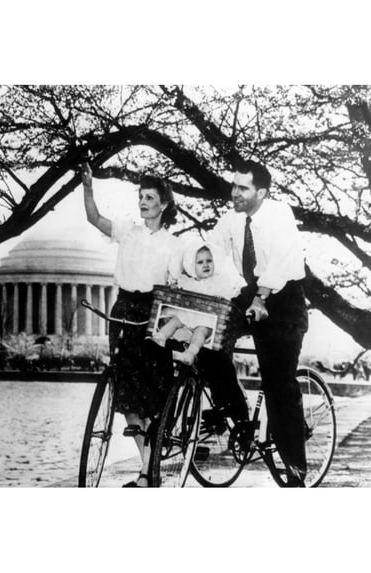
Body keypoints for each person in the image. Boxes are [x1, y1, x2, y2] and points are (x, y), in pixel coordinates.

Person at [209, 158, 308, 487]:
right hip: (248, 295)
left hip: (283, 301)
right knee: (209, 342)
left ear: (261, 192)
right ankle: (240, 418)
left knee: (278, 383)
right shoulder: (230, 220)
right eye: (233, 186)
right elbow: (211, 251)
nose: (234, 193)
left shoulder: (279, 215)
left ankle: (295, 472)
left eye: (242, 188)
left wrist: (261, 298)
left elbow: (279, 261)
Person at [81, 161, 178, 487]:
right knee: (125, 393)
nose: (143, 202)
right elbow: (94, 218)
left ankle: (147, 472)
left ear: (163, 205)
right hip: (123, 309)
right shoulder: (128, 232)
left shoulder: (172, 244)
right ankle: (147, 466)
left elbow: (176, 285)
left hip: (152, 312)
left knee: (150, 396)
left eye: (150, 198)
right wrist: (88, 187)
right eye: (141, 197)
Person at [151, 240, 250, 423]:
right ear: (192, 266)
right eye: (200, 262)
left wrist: (223, 297)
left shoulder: (219, 282)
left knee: (200, 331)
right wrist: (175, 288)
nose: (205, 265)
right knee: (175, 320)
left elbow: (230, 295)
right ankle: (160, 337)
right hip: (187, 320)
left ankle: (190, 352)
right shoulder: (188, 282)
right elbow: (178, 291)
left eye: (209, 261)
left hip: (206, 323)